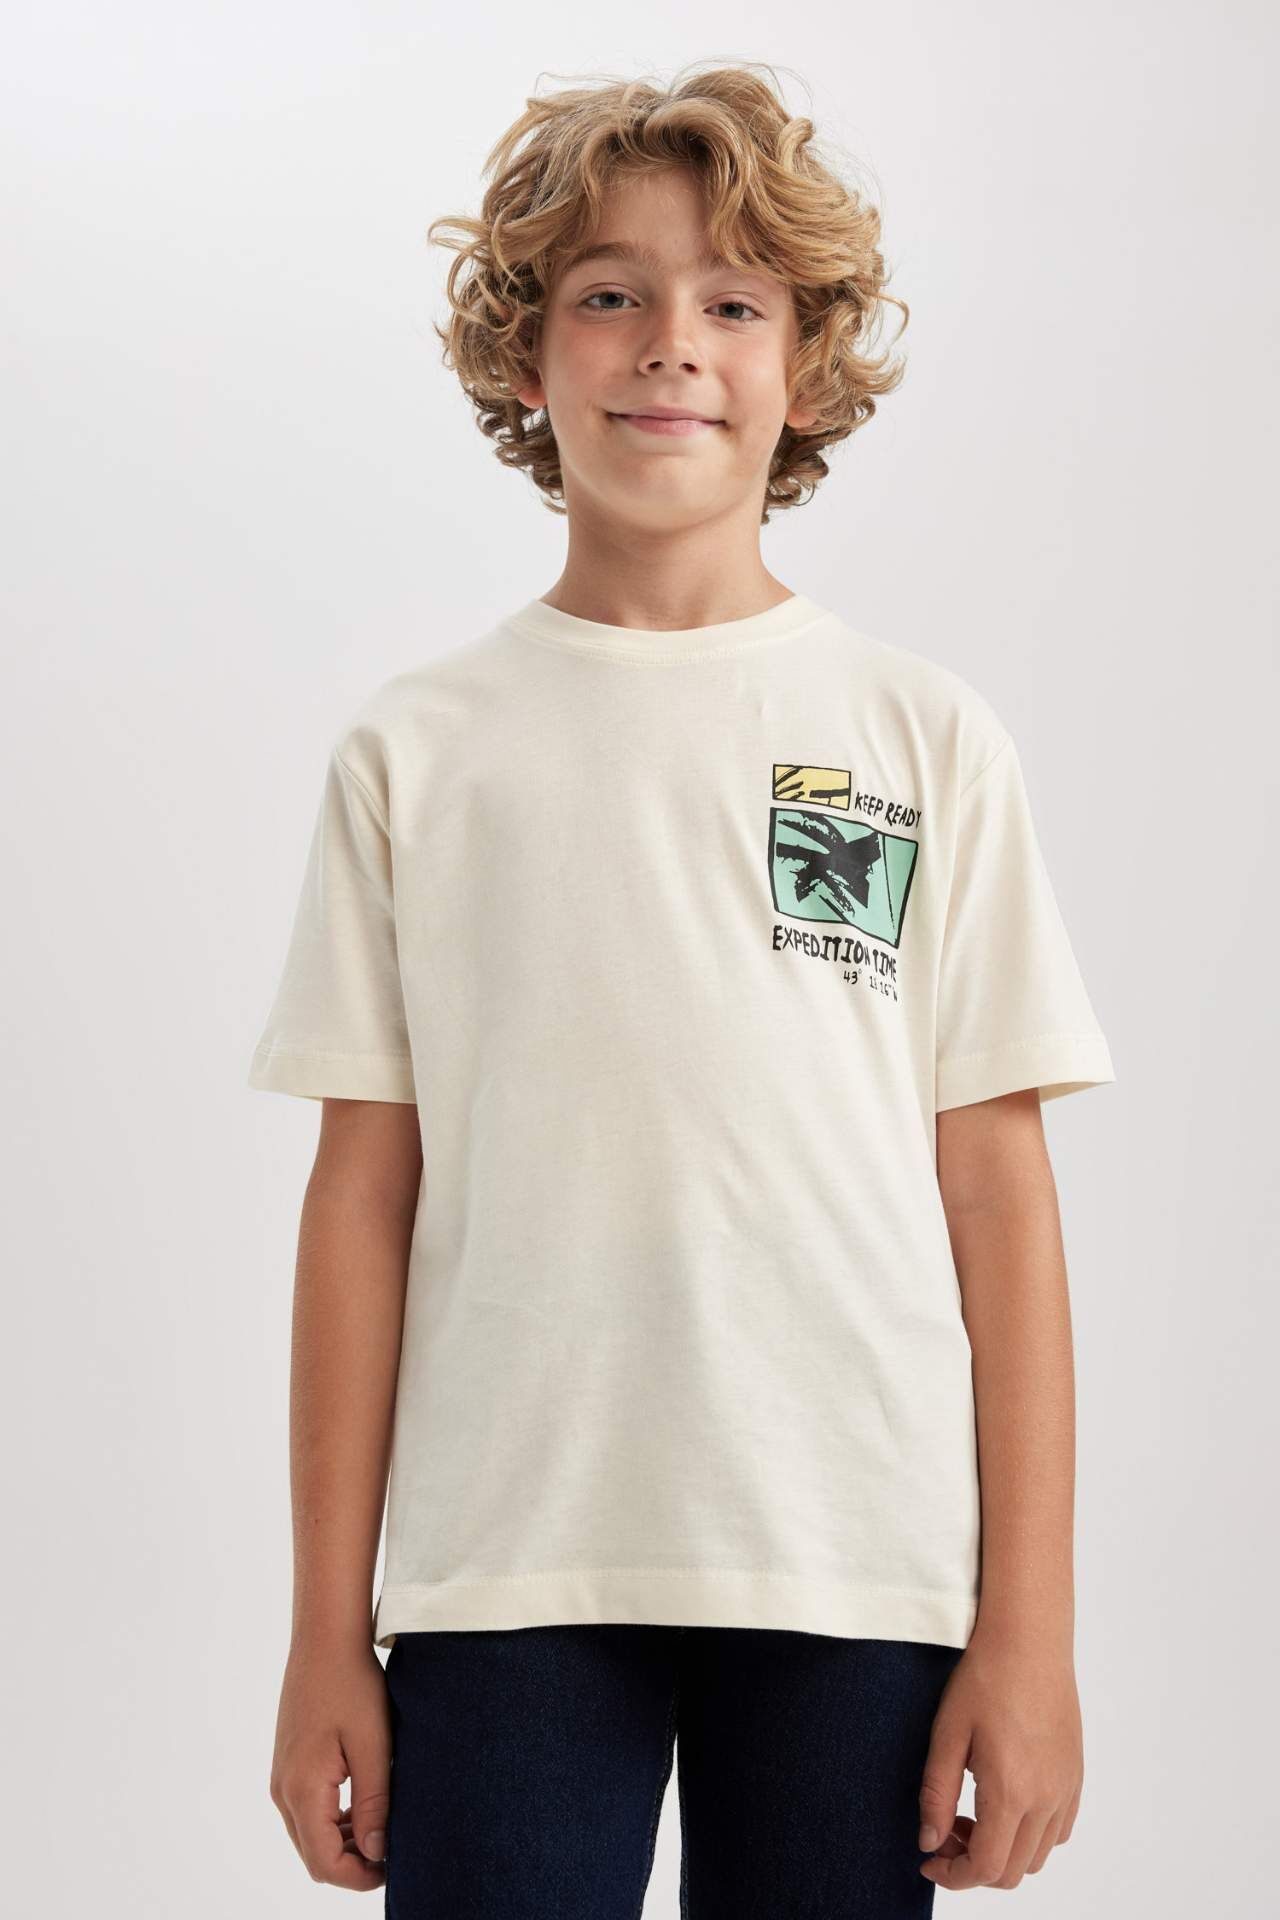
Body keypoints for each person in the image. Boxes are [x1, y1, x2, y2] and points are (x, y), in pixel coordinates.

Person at [249, 62, 1116, 1916]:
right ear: (527, 353)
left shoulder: (918, 738)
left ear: (805, 367)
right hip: (506, 1570)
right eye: (610, 294)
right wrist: (327, 1632)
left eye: (733, 303)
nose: (672, 345)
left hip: (856, 1567)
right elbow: (362, 1200)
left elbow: (998, 1193)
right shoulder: (419, 754)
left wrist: (1029, 1631)